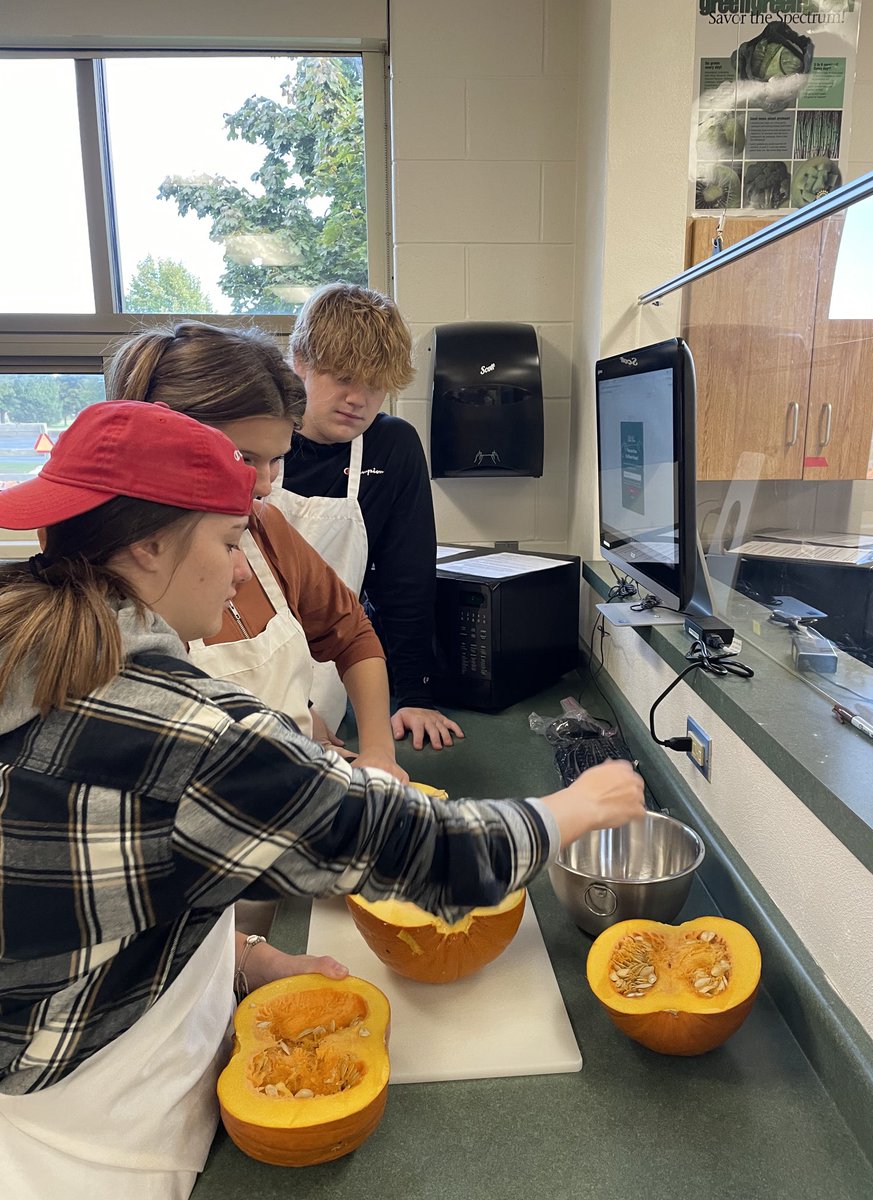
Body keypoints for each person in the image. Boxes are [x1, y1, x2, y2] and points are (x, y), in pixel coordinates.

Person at [0, 400, 645, 1199]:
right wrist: (576, 805)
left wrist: (245, 961)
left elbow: (91, 889)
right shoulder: (186, 730)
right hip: (94, 1140)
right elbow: (434, 853)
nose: (242, 571)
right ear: (147, 546)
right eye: (231, 542)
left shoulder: (32, 653)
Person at [106, 321, 406, 783]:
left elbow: (350, 632)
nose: (265, 486)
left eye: (277, 459)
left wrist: (376, 753)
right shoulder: (114, 576)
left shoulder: (267, 529)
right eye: (244, 458)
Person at [277, 282, 462, 752]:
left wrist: (415, 693)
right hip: (242, 668)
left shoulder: (391, 446)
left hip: (331, 672)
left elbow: (405, 580)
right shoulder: (259, 440)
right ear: (301, 361)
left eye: (374, 384)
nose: (358, 399)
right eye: (342, 377)